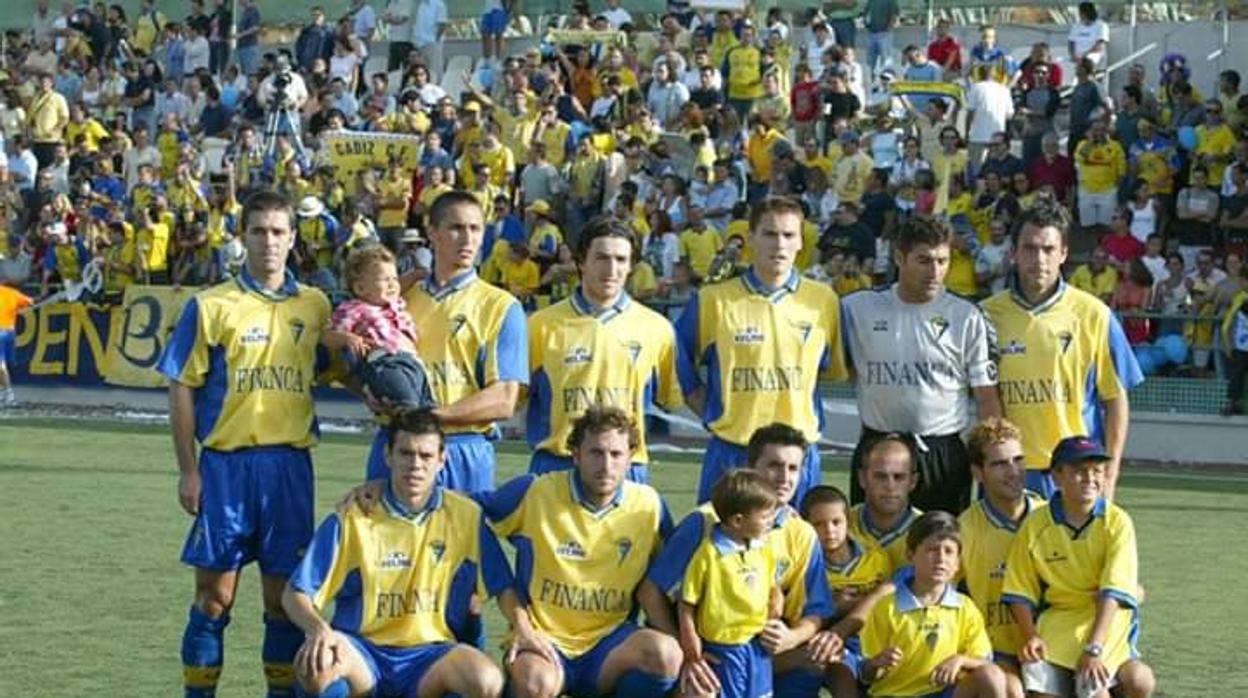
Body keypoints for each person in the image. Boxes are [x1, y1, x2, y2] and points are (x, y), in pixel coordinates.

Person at [158, 191, 333, 698]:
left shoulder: (315, 305)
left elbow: (339, 365)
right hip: (226, 467)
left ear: (293, 238)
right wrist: (189, 470)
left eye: (279, 231)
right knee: (214, 599)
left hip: (289, 467)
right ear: (243, 237)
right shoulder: (211, 305)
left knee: (283, 602)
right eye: (259, 231)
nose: (269, 241)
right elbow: (182, 388)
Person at [282, 410, 509, 698]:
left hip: (430, 656)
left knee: (486, 680)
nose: (415, 464)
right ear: (388, 456)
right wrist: (319, 629)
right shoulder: (353, 517)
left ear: (442, 460)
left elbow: (504, 586)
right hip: (364, 652)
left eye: (425, 456)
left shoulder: (465, 516)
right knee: (317, 665)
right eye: (405, 453)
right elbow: (294, 594)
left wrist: (525, 631)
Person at [479, 406, 683, 698]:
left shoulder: (649, 506)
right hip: (543, 639)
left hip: (609, 644)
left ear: (631, 458)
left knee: (666, 655)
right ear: (575, 455)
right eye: (596, 453)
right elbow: (469, 514)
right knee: (535, 683)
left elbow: (669, 581)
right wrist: (516, 614)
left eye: (616, 455)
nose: (606, 465)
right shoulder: (536, 492)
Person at [675, 195, 848, 505]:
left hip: (798, 457)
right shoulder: (714, 299)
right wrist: (699, 399)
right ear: (751, 239)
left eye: (788, 235)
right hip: (733, 450)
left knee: (796, 549)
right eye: (769, 234)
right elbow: (674, 355)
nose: (779, 244)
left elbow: (830, 370)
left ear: (800, 242)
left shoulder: (823, 301)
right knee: (721, 549)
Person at [642, 423, 834, 698]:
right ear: (750, 467)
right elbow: (651, 592)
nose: (784, 478)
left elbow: (817, 611)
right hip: (712, 648)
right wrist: (687, 654)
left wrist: (791, 637)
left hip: (759, 650)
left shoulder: (801, 533)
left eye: (793, 468)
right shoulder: (705, 522)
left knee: (815, 660)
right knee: (702, 691)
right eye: (774, 466)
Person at [365, 191, 527, 493]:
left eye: (475, 229)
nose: (467, 239)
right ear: (432, 231)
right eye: (456, 228)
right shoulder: (400, 298)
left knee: (460, 540)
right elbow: (357, 358)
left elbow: (504, 399)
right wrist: (367, 390)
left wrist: (432, 416)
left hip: (461, 447)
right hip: (397, 443)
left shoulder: (501, 306)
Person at [981, 203, 1143, 500]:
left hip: (1075, 470)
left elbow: (1116, 401)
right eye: (1029, 248)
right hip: (1010, 472)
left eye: (1048, 249)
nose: (1039, 259)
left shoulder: (1095, 315)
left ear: (1064, 253)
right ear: (1013, 253)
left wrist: (1110, 473)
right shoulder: (985, 317)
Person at [841, 216, 1001, 513]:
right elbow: (844, 367)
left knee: (941, 550)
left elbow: (986, 397)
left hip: (942, 454)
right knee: (872, 550)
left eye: (943, 260)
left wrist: (992, 458)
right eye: (924, 260)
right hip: (878, 448)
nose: (936, 271)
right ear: (899, 258)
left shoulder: (967, 315)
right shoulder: (857, 309)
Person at [526, 216, 683, 483]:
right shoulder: (540, 325)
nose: (611, 269)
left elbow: (668, 398)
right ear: (581, 262)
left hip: (625, 468)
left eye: (621, 260)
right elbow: (516, 398)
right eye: (601, 258)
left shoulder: (657, 329)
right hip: (557, 466)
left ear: (632, 265)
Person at [1003, 436, 1157, 698]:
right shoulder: (1035, 524)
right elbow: (1019, 590)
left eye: (1097, 471)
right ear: (1057, 477)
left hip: (1105, 624)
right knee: (1042, 693)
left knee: (1111, 688)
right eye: (1079, 471)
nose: (1090, 478)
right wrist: (1030, 636)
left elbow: (1113, 592)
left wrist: (1094, 649)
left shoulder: (1117, 522)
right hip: (1057, 623)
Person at [860, 512, 1007, 697]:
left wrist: (960, 660)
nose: (941, 558)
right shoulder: (886, 607)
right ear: (910, 555)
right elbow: (864, 674)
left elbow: (985, 661)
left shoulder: (965, 608)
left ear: (957, 563)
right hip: (895, 694)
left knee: (993, 676)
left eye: (949, 551)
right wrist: (876, 663)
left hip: (944, 692)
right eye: (932, 550)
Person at [959, 418, 1045, 698]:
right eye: (999, 464)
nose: (1013, 472)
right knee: (1010, 690)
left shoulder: (1051, 517)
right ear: (978, 473)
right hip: (997, 651)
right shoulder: (964, 528)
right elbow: (937, 593)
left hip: (1053, 645)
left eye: (1018, 460)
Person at [677, 469, 782, 698]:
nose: (771, 522)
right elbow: (686, 604)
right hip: (724, 647)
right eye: (764, 517)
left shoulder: (762, 549)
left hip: (758, 645)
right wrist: (691, 644)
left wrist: (776, 603)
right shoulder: (708, 555)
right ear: (737, 521)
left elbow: (772, 585)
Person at [799, 485, 893, 698]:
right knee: (838, 668)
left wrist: (852, 603)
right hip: (836, 643)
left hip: (876, 636)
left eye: (836, 522)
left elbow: (888, 596)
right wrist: (835, 607)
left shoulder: (875, 556)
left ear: (848, 521)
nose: (829, 531)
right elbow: (808, 613)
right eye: (819, 525)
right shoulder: (808, 567)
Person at [330, 245, 435, 410]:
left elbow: (400, 285)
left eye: (394, 278)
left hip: (415, 364)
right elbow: (328, 335)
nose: (393, 284)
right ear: (360, 288)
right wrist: (347, 338)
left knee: (429, 412)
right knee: (408, 409)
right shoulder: (355, 308)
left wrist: (416, 274)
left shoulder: (395, 304)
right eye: (385, 280)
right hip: (386, 363)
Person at [851, 433, 923, 573]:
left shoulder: (930, 533)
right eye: (880, 476)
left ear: (913, 481)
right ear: (862, 478)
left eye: (899, 477)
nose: (890, 486)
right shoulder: (839, 526)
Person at [0, 281, 33, 406]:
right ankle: (4, 394)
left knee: (1, 366)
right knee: (3, 366)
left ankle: (8, 395)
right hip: (9, 332)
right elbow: (29, 302)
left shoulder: (11, 293)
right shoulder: (12, 293)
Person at [1068, 2, 1109, 69]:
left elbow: (1100, 46)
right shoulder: (1076, 26)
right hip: (1078, 56)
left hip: (1094, 55)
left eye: (1081, 13)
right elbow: (1071, 43)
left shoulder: (1101, 25)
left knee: (1087, 63)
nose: (1079, 15)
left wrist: (1084, 55)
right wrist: (1073, 55)